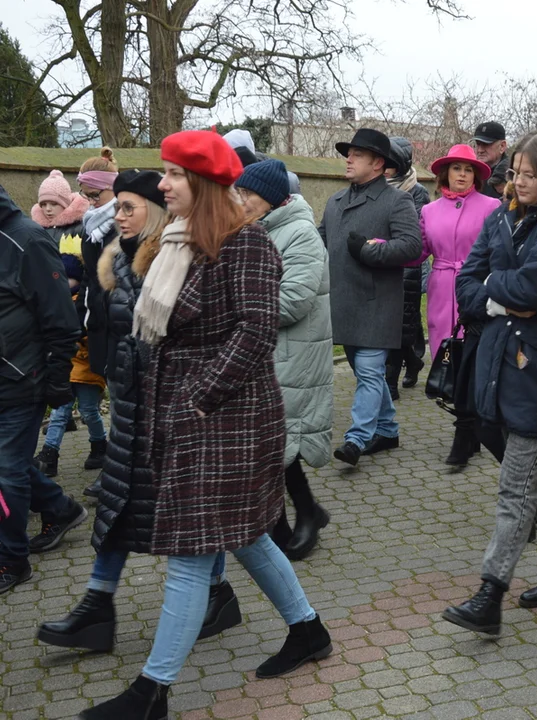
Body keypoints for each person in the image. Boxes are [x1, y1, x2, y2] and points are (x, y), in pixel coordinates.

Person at [78, 131, 333, 719]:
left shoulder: (246, 246)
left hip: (229, 420)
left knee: (191, 553)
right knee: (245, 536)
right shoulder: (179, 241)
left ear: (203, 183)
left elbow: (255, 332)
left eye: (172, 175)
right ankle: (309, 632)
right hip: (191, 414)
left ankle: (152, 692)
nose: (161, 184)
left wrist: (197, 399)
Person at [37, 170, 241, 652]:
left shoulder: (178, 262)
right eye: (116, 207)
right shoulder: (122, 258)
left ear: (160, 210)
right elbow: (100, 293)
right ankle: (97, 607)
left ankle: (233, 597)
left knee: (196, 517)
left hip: (170, 408)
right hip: (131, 402)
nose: (117, 216)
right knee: (119, 507)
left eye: (129, 207)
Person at [443, 129, 537, 635]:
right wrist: (496, 294)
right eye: (516, 173)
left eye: (531, 175)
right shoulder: (502, 217)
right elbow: (465, 282)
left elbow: (535, 289)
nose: (520, 182)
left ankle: (490, 594)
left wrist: (494, 289)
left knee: (516, 489)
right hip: (497, 366)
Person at [237, 159, 335, 560]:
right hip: (267, 352)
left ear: (271, 199)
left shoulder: (300, 234)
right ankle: (291, 517)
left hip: (294, 353)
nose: (239, 200)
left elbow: (293, 301)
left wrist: (236, 305)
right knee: (271, 440)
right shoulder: (256, 231)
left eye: (246, 194)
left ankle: (304, 513)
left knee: (280, 440)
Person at [0, 184, 86, 594]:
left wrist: (56, 380)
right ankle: (59, 508)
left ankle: (11, 560)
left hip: (22, 377)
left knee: (5, 469)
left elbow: (62, 318)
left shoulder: (27, 240)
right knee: (10, 462)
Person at [320, 128, 422, 467]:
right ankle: (388, 430)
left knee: (367, 373)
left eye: (357, 155)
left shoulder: (398, 200)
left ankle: (357, 438)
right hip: (343, 304)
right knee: (371, 375)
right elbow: (319, 243)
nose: (348, 159)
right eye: (348, 154)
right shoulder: (335, 202)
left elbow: (411, 246)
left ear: (378, 163)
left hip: (377, 304)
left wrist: (368, 251)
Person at [415, 145, 501, 467]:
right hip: (440, 291)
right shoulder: (429, 211)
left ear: (476, 174)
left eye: (468, 169)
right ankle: (470, 430)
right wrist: (379, 248)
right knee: (448, 361)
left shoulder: (492, 206)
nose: (462, 174)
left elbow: (501, 251)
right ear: (445, 173)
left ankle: (464, 434)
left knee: (472, 362)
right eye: (456, 169)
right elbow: (417, 252)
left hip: (477, 291)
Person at [32, 236, 107, 477]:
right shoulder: (57, 302)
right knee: (59, 412)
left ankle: (99, 445)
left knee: (88, 411)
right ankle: (49, 454)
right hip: (64, 368)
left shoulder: (84, 302)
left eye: (69, 276)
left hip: (85, 368)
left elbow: (89, 332)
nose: (64, 282)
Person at [385, 137, 430, 396]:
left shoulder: (417, 192)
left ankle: (392, 380)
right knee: (395, 324)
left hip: (409, 266)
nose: (387, 168)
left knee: (404, 324)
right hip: (383, 262)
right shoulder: (377, 188)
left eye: (392, 163)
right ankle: (413, 361)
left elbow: (415, 234)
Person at [77, 148, 120, 382]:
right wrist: (80, 316)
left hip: (118, 323)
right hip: (98, 319)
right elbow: (89, 274)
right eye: (87, 196)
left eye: (95, 195)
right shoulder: (90, 225)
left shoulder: (123, 223)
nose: (92, 203)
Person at [31, 170, 90, 245]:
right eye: (44, 204)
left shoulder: (82, 228)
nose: (48, 209)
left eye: (54, 204)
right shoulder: (36, 230)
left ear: (66, 204)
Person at [473, 121, 510, 199]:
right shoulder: (470, 172)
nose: (480, 150)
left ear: (502, 146)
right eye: (478, 144)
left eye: (486, 144)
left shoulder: (512, 175)